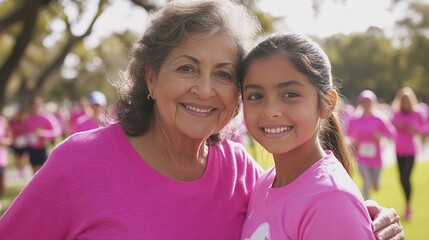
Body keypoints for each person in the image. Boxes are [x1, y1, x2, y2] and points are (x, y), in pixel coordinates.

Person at [0, 1, 404, 239]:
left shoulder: (242, 174)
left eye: (225, 74)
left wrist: (364, 216)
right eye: (187, 69)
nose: (206, 90)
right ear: (151, 79)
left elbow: (308, 203)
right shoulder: (78, 165)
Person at [239, 32, 377, 239]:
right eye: (255, 96)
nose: (270, 111)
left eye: (290, 94)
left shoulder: (331, 200)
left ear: (327, 104)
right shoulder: (264, 183)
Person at [347, 90, 396, 200]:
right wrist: (352, 141)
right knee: (366, 179)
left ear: (373, 103)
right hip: (361, 156)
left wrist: (381, 135)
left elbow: (392, 133)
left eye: (369, 101)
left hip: (376, 157)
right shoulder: (355, 119)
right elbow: (348, 135)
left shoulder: (379, 118)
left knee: (375, 184)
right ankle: (366, 204)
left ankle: (376, 182)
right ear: (361, 103)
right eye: (364, 101)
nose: (366, 104)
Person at [391, 87, 428, 220]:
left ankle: (408, 206)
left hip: (411, 150)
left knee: (406, 177)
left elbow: (425, 129)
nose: (405, 102)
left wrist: (416, 129)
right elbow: (390, 128)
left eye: (407, 99)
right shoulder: (396, 113)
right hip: (398, 149)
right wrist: (397, 125)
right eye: (403, 99)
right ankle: (407, 204)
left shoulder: (417, 113)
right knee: (401, 179)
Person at [24, 97, 62, 174]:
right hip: (31, 148)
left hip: (44, 148)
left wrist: (43, 133)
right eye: (33, 106)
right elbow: (26, 132)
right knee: (35, 173)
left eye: (37, 106)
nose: (34, 108)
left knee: (46, 172)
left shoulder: (47, 117)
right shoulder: (28, 119)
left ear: (41, 106)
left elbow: (57, 131)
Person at [0, 114, 13, 211]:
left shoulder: (2, 120)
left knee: (2, 184)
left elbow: (10, 139)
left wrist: (2, 142)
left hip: (1, 158)